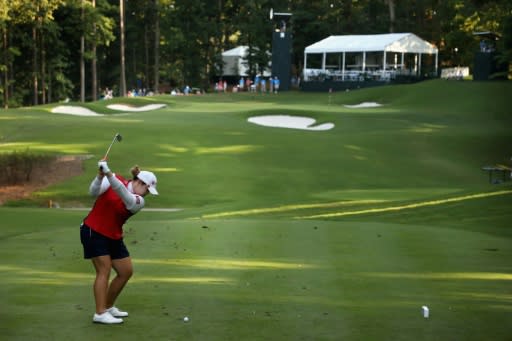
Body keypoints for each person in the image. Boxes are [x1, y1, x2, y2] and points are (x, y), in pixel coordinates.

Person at [80, 160, 158, 324]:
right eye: (147, 189)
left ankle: (108, 307)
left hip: (113, 235)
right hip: (93, 230)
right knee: (104, 270)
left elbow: (123, 193)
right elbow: (93, 192)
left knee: (125, 271)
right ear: (138, 182)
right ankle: (100, 313)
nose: (147, 193)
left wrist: (109, 173)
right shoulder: (114, 179)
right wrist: (100, 177)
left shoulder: (138, 201)